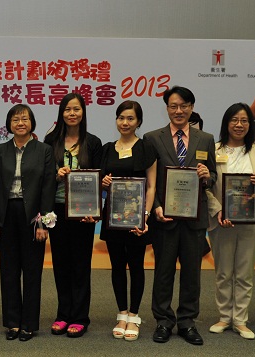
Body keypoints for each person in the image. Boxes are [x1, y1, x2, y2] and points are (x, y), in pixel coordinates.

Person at [144, 86, 217, 345]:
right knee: (163, 272)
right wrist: (156, 207)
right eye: (174, 106)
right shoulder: (152, 138)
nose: (179, 111)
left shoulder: (205, 139)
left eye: (184, 106)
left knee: (191, 274)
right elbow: (148, 179)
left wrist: (208, 178)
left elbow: (213, 176)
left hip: (194, 218)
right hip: (165, 217)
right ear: (167, 108)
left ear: (192, 108)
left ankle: (187, 322)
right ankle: (163, 321)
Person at [0, 104, 57, 342]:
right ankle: (12, 322)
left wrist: (44, 223)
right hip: (7, 214)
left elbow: (48, 187)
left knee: (33, 270)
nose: (20, 123)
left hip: (32, 216)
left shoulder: (44, 150)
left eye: (24, 119)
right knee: (9, 271)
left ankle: (29, 324)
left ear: (31, 122)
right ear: (9, 124)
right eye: (15, 119)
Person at [206, 103, 255, 340]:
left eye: (244, 120)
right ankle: (224, 317)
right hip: (222, 220)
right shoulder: (214, 149)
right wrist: (218, 210)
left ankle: (240, 320)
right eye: (234, 119)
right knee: (223, 271)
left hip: (251, 222)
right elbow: (207, 187)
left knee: (244, 273)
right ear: (226, 123)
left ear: (250, 125)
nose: (239, 125)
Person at [43, 93, 102, 338]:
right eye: (67, 109)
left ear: (83, 112)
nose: (72, 114)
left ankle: (79, 317)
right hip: (57, 211)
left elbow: (100, 178)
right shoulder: (50, 141)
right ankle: (63, 314)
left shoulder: (93, 142)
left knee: (80, 265)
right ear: (61, 113)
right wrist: (56, 174)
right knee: (61, 265)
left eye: (76, 109)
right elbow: (42, 177)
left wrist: (96, 212)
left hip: (84, 214)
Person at [98, 100, 157, 341]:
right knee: (117, 266)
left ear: (139, 122)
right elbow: (101, 184)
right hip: (112, 218)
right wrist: (103, 185)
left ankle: (134, 315)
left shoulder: (146, 148)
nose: (125, 122)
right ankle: (122, 313)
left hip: (136, 219)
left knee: (136, 266)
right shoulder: (107, 148)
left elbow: (152, 186)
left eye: (130, 118)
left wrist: (145, 216)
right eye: (121, 117)